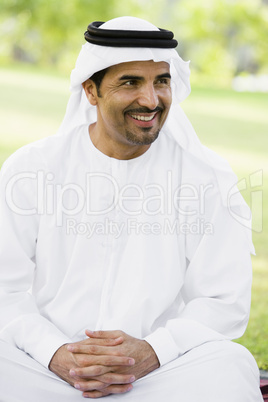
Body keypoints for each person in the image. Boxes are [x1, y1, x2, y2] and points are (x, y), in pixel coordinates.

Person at [0, 16, 263, 401]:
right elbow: (5, 288)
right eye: (130, 82)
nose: (151, 100)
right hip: (45, 368)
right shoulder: (32, 168)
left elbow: (224, 299)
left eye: (162, 81)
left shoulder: (206, 177)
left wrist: (151, 352)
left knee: (230, 366)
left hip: (158, 374)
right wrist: (54, 352)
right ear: (91, 91)